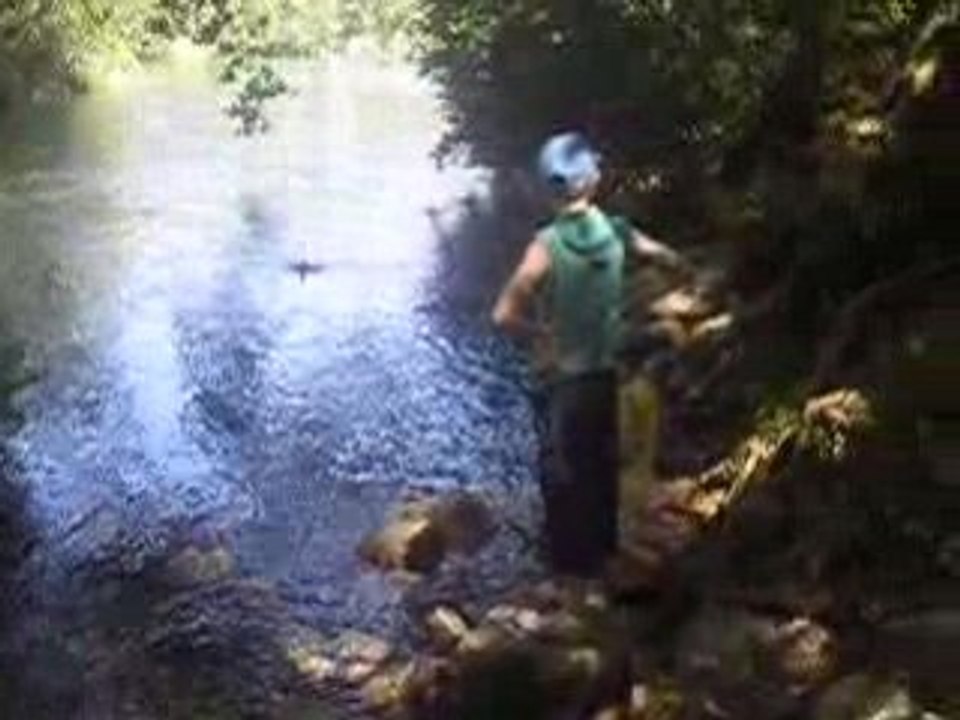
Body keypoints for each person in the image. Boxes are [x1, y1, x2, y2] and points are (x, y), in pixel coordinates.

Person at [492, 131, 685, 577]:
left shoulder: (546, 244)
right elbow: (674, 263)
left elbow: (503, 315)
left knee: (561, 482)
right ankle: (603, 565)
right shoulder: (619, 232)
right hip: (604, 373)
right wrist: (637, 307)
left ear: (548, 189)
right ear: (593, 180)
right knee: (599, 471)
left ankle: (565, 582)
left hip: (558, 381)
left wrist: (540, 333)